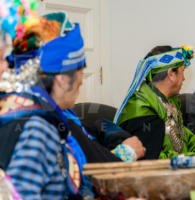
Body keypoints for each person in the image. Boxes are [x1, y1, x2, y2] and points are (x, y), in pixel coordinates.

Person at [0, 12, 145, 199]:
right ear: (61, 79)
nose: (81, 82)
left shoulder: (26, 114)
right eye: (79, 72)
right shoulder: (37, 127)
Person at [114, 45, 195, 159]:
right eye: (183, 71)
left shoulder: (170, 101)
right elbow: (153, 158)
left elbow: (184, 136)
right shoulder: (141, 108)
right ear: (171, 74)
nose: (184, 78)